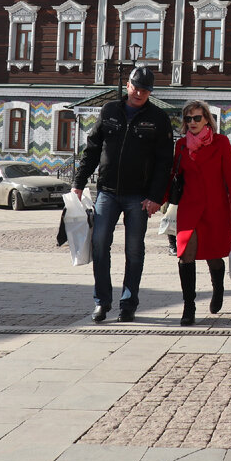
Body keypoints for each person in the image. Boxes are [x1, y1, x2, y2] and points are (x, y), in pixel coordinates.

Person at [73, 66, 174, 324]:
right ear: (128, 85)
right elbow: (92, 149)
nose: (139, 92)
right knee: (99, 244)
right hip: (107, 192)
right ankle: (101, 302)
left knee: (134, 250)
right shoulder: (109, 111)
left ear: (150, 91)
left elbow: (165, 162)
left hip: (138, 196)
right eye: (136, 87)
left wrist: (155, 197)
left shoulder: (159, 119)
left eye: (145, 89)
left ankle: (128, 304)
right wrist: (78, 183)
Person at [170, 100, 231, 326]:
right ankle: (188, 306)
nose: (192, 122)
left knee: (214, 256)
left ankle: (218, 288)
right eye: (188, 119)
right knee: (185, 255)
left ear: (207, 120)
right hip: (189, 209)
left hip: (215, 209)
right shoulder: (181, 145)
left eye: (196, 118)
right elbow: (173, 177)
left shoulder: (221, 143)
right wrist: (156, 202)